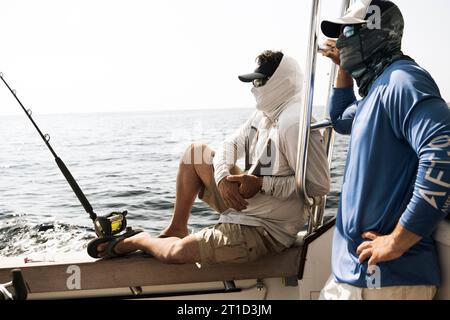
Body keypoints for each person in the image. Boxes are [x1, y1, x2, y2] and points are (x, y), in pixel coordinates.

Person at [88, 50, 330, 266]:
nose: (253, 88)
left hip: (266, 229)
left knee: (176, 254)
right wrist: (224, 177)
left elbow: (318, 187)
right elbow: (230, 143)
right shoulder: (264, 113)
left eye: (259, 81)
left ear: (279, 83)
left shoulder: (294, 124)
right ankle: (177, 227)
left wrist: (263, 184)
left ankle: (139, 241)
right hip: (247, 204)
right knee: (196, 153)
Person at [318, 0, 450, 300]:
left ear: (374, 33)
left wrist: (398, 241)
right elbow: (340, 120)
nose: (340, 41)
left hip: (386, 278)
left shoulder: (403, 80)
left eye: (347, 33)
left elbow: (443, 150)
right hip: (355, 273)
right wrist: (344, 68)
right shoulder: (376, 90)